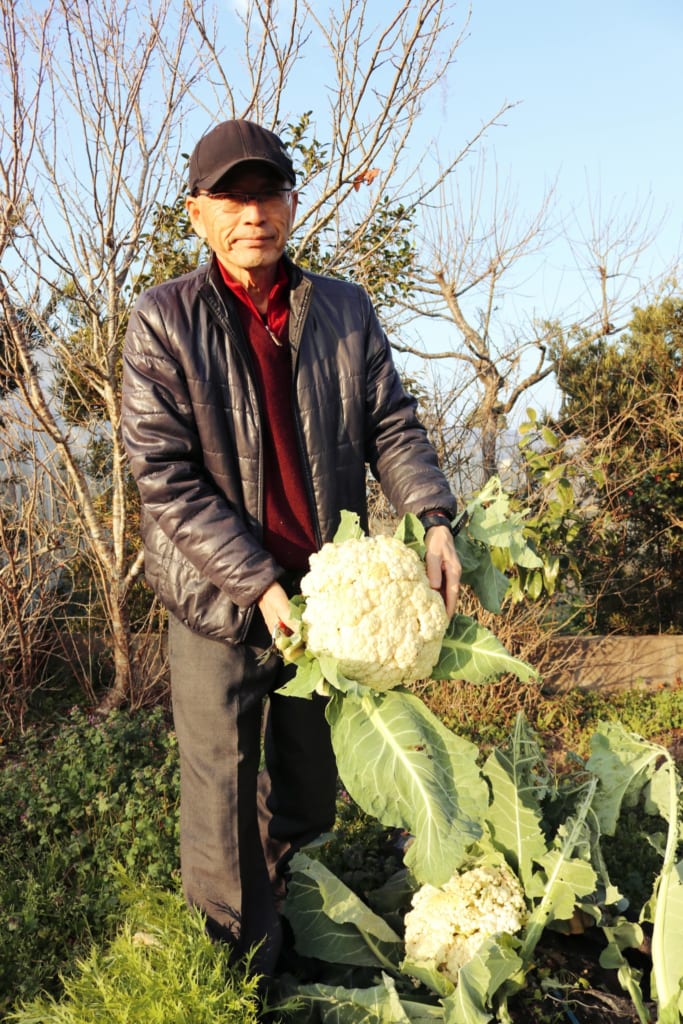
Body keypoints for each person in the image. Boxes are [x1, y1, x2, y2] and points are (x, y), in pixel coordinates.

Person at [121, 118, 461, 978]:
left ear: (291, 204)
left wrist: (432, 516)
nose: (252, 214)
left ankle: (278, 907)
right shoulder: (163, 320)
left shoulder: (342, 309)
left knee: (309, 788)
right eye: (231, 197)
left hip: (320, 603)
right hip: (217, 601)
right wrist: (257, 584)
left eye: (267, 193)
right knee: (220, 794)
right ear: (197, 213)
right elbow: (162, 475)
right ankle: (238, 973)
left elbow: (391, 424)